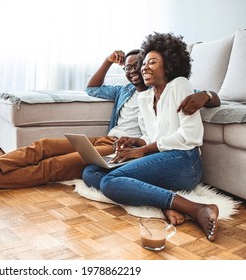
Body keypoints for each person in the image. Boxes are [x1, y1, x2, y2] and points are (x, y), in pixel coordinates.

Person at [0, 48, 219, 192]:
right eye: (131, 66)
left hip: (124, 148)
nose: (136, 70)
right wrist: (109, 61)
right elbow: (92, 88)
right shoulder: (126, 91)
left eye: (142, 64)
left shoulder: (170, 89)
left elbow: (205, 99)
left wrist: (206, 94)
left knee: (56, 166)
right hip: (111, 138)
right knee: (44, 146)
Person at [82, 32, 219, 241]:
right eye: (143, 63)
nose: (144, 67)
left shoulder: (179, 85)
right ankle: (163, 202)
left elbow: (190, 136)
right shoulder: (146, 98)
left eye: (152, 62)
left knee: (109, 182)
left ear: (169, 65)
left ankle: (198, 208)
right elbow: (150, 135)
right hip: (160, 159)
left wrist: (143, 150)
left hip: (185, 161)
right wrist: (135, 142)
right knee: (90, 172)